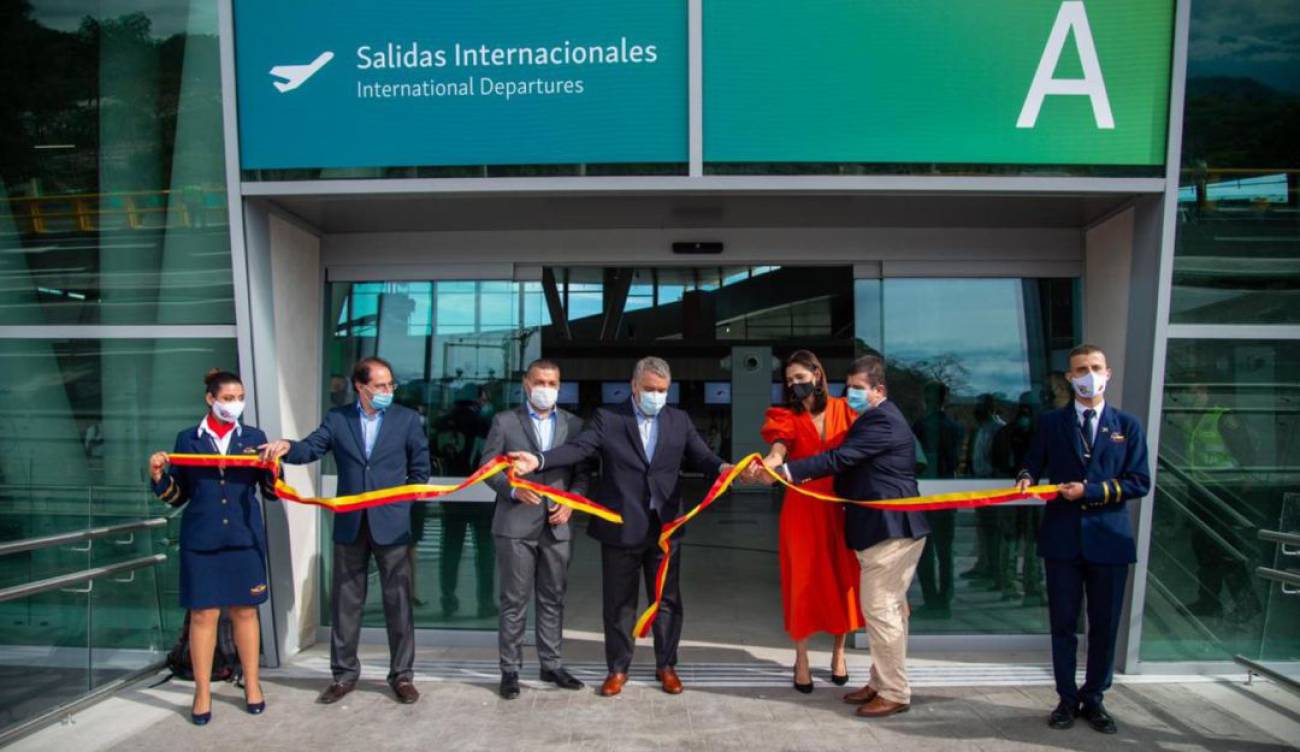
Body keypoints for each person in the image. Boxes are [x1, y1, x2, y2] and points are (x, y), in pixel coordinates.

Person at [508, 356, 732, 697]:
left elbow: (703, 457)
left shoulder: (678, 420)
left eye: (662, 390)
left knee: (667, 601)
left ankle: (666, 666)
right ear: (634, 386)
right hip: (620, 528)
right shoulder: (609, 418)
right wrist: (539, 460)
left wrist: (726, 469)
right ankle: (618, 668)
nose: (655, 396)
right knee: (618, 603)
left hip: (665, 530)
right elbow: (578, 449)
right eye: (649, 390)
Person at [762, 354, 930, 719]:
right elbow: (783, 444)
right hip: (871, 526)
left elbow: (839, 459)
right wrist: (775, 462)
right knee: (885, 612)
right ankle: (880, 682)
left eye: (858, 388)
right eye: (849, 387)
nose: (851, 393)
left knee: (881, 613)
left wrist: (786, 472)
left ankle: (895, 692)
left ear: (878, 390)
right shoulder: (873, 417)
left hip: (888, 528)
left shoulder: (880, 421)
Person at [260, 356, 431, 705]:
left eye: (390, 385)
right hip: (351, 524)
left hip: (392, 526)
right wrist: (286, 447)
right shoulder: (338, 419)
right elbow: (311, 447)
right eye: (380, 386)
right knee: (345, 603)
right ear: (360, 386)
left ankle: (402, 676)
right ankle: (343, 675)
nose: (387, 391)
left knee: (398, 602)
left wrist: (402, 505)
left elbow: (420, 469)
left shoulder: (406, 419)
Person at [1016, 344, 1150, 735]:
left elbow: (1139, 482)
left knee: (1104, 626)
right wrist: (1025, 477)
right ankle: (1066, 697)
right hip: (1062, 540)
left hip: (1109, 540)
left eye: (1095, 367)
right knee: (1062, 625)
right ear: (1069, 377)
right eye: (1080, 369)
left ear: (1108, 374)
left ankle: (1095, 698)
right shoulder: (1050, 423)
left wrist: (1089, 492)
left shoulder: (1127, 425)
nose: (1088, 375)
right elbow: (1032, 462)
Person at [148, 369, 274, 725]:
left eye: (240, 398)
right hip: (201, 539)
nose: (235, 405)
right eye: (228, 398)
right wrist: (159, 478)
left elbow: (270, 492)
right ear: (211, 399)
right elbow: (179, 496)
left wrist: (272, 470)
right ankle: (202, 691)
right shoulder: (188, 439)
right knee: (204, 615)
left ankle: (252, 683)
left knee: (246, 612)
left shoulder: (254, 437)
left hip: (244, 537)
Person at [481, 359, 593, 699]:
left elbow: (583, 472)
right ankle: (510, 670)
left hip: (557, 526)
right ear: (527, 384)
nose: (547, 388)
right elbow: (488, 468)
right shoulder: (504, 421)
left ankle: (551, 664)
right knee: (514, 600)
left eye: (554, 382)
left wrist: (573, 500)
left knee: (553, 598)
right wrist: (513, 489)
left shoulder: (574, 425)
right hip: (515, 523)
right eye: (541, 382)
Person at [758, 350, 863, 693]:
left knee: (842, 579)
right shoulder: (784, 416)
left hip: (841, 507)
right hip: (801, 509)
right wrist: (771, 463)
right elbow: (778, 448)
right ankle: (801, 658)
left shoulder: (847, 411)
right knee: (800, 582)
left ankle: (839, 653)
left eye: (800, 378)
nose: (795, 385)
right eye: (789, 381)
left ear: (817, 375)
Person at [912, 380, 962, 618]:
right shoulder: (954, 426)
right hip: (945, 495)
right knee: (944, 552)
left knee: (927, 551)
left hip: (928, 495)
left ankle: (933, 600)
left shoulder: (922, 426)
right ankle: (944, 599)